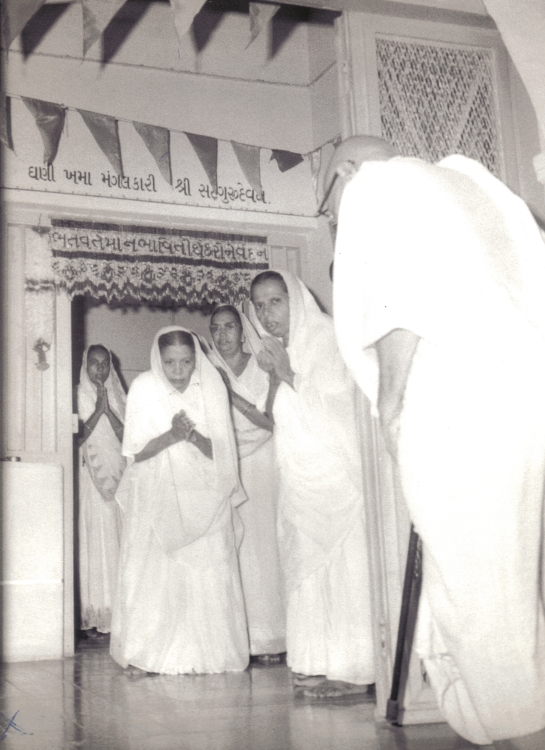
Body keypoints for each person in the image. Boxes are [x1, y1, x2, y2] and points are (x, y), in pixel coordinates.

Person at [328, 135, 545, 747]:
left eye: (327, 208)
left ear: (344, 171)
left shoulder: (374, 185)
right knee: (509, 582)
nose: (334, 222)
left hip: (454, 402)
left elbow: (399, 305)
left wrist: (392, 407)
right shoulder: (470, 180)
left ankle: (521, 731)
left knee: (475, 593)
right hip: (526, 401)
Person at [249, 269, 375, 698]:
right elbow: (273, 415)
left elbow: (344, 411)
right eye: (260, 306)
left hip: (338, 482)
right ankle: (319, 661)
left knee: (343, 572)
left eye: (276, 301)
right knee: (308, 573)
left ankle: (356, 671)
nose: (267, 313)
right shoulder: (279, 347)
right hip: (299, 479)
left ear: (296, 299)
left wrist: (287, 373)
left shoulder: (326, 338)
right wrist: (276, 375)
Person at [110, 326, 249, 675]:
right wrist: (172, 435)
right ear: (158, 359)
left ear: (195, 358)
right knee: (156, 575)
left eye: (186, 362)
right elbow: (135, 453)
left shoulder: (210, 386)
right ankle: (149, 654)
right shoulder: (144, 387)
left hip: (205, 494)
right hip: (156, 493)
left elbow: (223, 453)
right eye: (170, 362)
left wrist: (193, 436)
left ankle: (210, 654)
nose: (178, 371)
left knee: (206, 574)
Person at [208, 305, 286, 663]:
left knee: (265, 548)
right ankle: (240, 639)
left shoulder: (261, 365)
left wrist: (229, 393)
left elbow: (272, 421)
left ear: (242, 332)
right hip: (227, 467)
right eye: (216, 328)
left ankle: (272, 638)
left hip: (263, 466)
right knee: (235, 550)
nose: (223, 335)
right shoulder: (207, 370)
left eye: (230, 327)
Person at [77, 344, 126, 640]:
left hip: (118, 483)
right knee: (94, 543)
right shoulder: (77, 395)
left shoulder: (119, 396)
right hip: (90, 484)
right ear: (85, 365)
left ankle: (117, 613)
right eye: (94, 363)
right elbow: (77, 437)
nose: (100, 368)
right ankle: (95, 613)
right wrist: (98, 410)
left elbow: (129, 437)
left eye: (105, 363)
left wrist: (110, 410)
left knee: (116, 543)